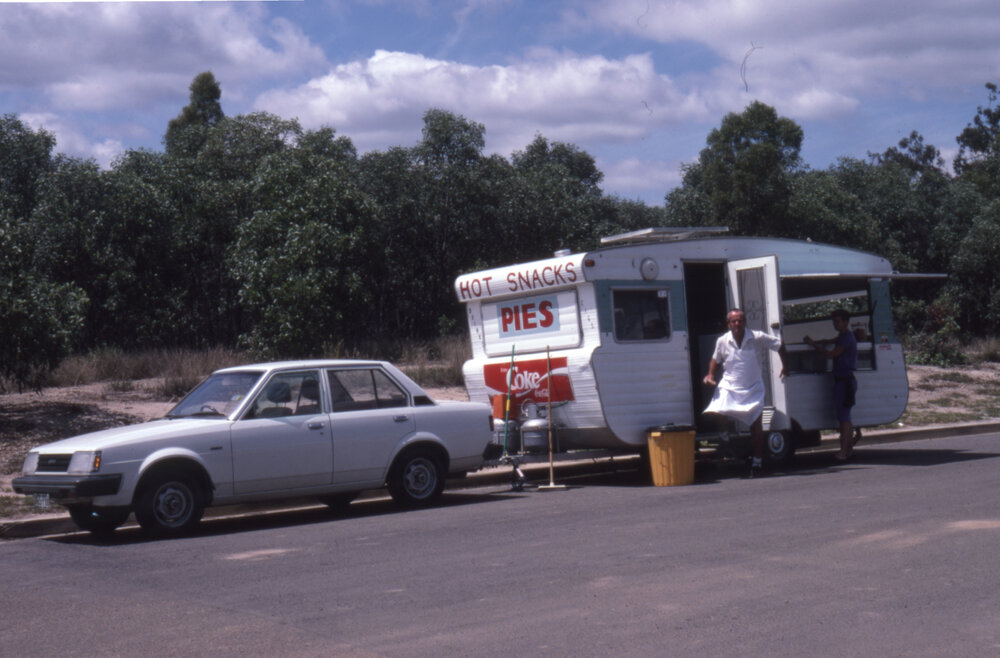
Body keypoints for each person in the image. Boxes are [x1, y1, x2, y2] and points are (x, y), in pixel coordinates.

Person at [703, 308, 788, 478]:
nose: (737, 324)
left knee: (756, 427)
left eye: (740, 320)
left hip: (753, 389)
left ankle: (757, 462)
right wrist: (710, 374)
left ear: (745, 322)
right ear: (729, 324)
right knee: (717, 408)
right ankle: (724, 435)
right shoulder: (722, 341)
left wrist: (786, 366)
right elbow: (715, 359)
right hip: (730, 386)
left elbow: (780, 344)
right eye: (733, 321)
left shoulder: (757, 337)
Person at [804, 309, 858, 461]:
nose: (835, 324)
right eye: (834, 322)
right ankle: (848, 449)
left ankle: (843, 452)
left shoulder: (847, 337)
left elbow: (831, 354)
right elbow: (834, 341)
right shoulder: (844, 336)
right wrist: (824, 341)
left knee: (844, 419)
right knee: (845, 417)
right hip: (843, 380)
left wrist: (813, 344)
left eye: (838, 322)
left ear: (846, 322)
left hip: (845, 381)